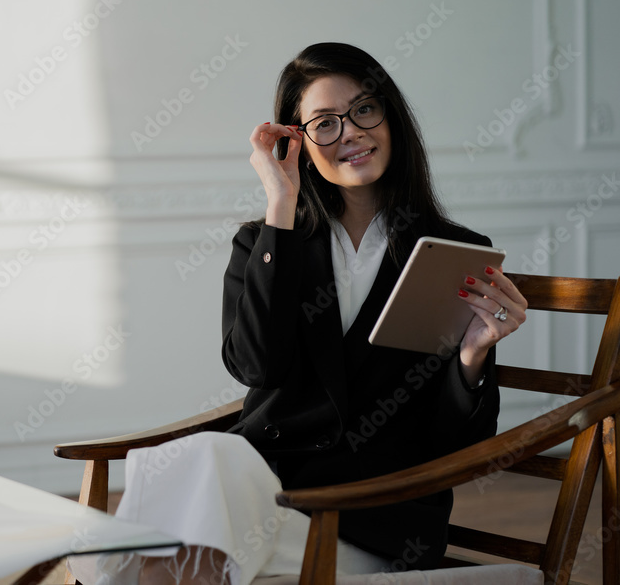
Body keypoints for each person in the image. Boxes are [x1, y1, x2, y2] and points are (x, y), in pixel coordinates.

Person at [72, 42, 528, 585]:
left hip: (371, 520)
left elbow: (457, 449)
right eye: (324, 124)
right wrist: (279, 205)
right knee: (200, 470)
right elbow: (256, 368)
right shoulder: (265, 242)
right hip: (266, 493)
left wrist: (473, 355)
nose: (351, 132)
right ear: (299, 142)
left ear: (391, 118)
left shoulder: (451, 251)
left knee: (174, 539)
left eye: (363, 109)